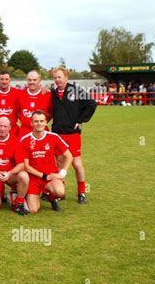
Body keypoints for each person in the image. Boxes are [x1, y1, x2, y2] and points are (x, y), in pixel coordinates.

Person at [51, 67, 97, 204]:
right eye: (55, 78)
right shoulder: (53, 93)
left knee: (77, 164)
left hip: (72, 134)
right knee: (59, 163)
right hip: (58, 134)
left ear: (66, 77)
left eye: (60, 77)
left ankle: (81, 192)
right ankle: (60, 192)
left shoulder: (75, 90)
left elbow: (92, 104)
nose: (57, 80)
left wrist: (80, 120)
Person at [20, 110, 73, 213]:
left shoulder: (53, 137)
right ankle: (21, 194)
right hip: (33, 178)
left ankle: (51, 197)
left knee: (60, 192)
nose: (39, 123)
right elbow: (26, 166)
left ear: (45, 122)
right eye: (36, 121)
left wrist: (62, 174)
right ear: (31, 123)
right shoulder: (25, 140)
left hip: (51, 176)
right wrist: (44, 176)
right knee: (33, 210)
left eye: (41, 121)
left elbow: (69, 156)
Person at [17, 70, 52, 138]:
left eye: (34, 80)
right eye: (29, 80)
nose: (32, 82)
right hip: (24, 132)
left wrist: (41, 123)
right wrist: (25, 121)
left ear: (39, 80)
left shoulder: (47, 95)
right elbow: (18, 111)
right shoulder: (20, 94)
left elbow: (51, 113)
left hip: (42, 132)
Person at [0, 70, 20, 137]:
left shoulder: (18, 93)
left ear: (10, 80)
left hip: (12, 130)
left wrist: (42, 89)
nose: (4, 81)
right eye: (2, 79)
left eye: (6, 79)